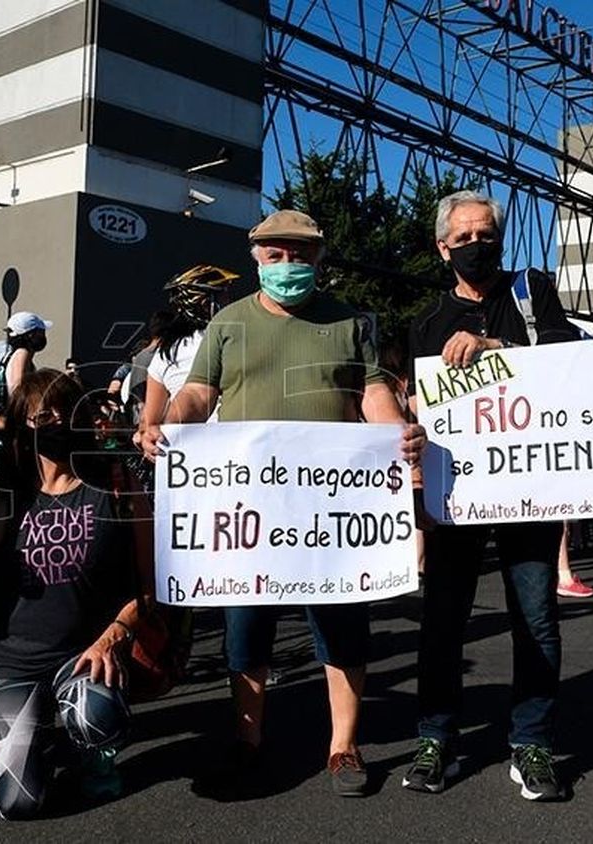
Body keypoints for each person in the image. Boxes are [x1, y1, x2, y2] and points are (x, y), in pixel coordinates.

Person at [147, 209, 426, 798]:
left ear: (319, 258)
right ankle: (248, 741)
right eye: (276, 255)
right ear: (257, 258)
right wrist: (170, 427)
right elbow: (199, 391)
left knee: (343, 625)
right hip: (249, 503)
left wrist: (396, 430)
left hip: (334, 504)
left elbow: (373, 389)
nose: (288, 265)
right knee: (246, 631)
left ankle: (343, 748)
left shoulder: (350, 321)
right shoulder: (229, 322)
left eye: (301, 255)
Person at [403, 190, 583, 801]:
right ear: (442, 247)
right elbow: (420, 409)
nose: (478, 246)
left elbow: (570, 363)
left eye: (488, 235)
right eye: (465, 238)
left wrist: (495, 351)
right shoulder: (426, 324)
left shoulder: (532, 291)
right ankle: (436, 737)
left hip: (529, 493)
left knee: (536, 618)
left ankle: (531, 742)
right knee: (443, 621)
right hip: (457, 498)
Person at [0, 369, 148, 818]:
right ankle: (1, 733)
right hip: (12, 660)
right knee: (18, 803)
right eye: (42, 416)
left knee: (97, 716)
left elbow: (152, 587)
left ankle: (93, 755)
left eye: (65, 411)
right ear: (22, 426)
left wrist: (113, 634)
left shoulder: (116, 486)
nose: (54, 422)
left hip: (82, 655)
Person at [139, 266, 238, 440]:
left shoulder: (164, 352)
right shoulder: (232, 339)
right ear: (206, 303)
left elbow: (149, 423)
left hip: (185, 451)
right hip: (232, 446)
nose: (230, 300)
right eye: (224, 294)